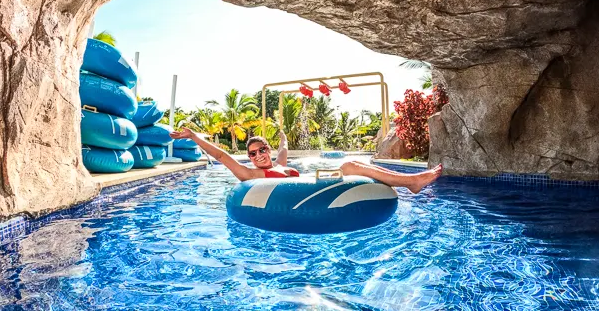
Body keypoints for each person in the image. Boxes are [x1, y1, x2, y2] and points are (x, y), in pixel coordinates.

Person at [170, 128, 442, 194]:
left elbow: (283, 150)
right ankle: (412, 182)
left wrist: (283, 137)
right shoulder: (248, 174)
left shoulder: (278, 164)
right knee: (349, 167)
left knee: (349, 164)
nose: (257, 155)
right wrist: (193, 135)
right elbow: (219, 154)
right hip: (309, 187)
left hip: (315, 180)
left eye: (261, 149)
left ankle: (410, 182)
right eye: (252, 153)